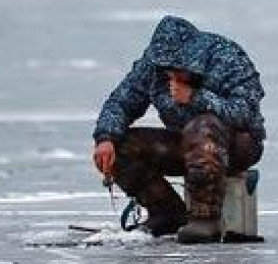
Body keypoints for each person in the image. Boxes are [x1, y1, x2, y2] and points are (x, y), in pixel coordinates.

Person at [92, 16, 266, 244]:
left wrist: (195, 98)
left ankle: (205, 218)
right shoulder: (153, 66)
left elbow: (245, 113)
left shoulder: (227, 58)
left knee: (203, 126)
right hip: (187, 143)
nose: (172, 75)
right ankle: (167, 213)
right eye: (167, 70)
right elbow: (121, 102)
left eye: (178, 69)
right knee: (122, 147)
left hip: (237, 145)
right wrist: (105, 138)